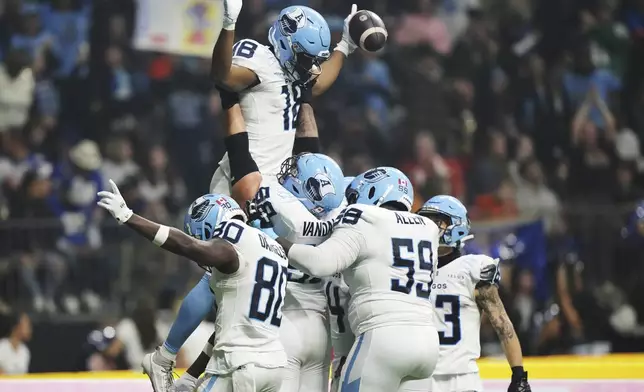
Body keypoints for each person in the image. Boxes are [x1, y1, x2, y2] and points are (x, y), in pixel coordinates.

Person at [97, 185, 289, 391]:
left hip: (238, 366)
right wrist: (190, 376)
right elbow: (226, 330)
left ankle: (162, 359)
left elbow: (187, 245)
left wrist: (129, 217)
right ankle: (163, 359)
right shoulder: (273, 249)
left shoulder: (232, 242)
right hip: (274, 365)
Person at [276, 167, 441, 392]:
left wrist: (277, 241)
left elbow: (320, 263)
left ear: (373, 191)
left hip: (384, 337)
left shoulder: (365, 217)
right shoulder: (428, 228)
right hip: (428, 341)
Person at [209, 0, 360, 205]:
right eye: (308, 59)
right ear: (286, 44)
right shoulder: (261, 58)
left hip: (277, 185)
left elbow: (318, 84)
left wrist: (345, 45)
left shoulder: (294, 71)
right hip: (242, 179)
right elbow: (223, 76)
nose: (313, 67)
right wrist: (229, 24)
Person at [416, 195, 531, 392]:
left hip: (462, 378)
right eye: (426, 221)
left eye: (437, 222)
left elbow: (502, 322)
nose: (430, 228)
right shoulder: (411, 267)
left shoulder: (472, 268)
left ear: (457, 225)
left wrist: (519, 375)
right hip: (418, 376)